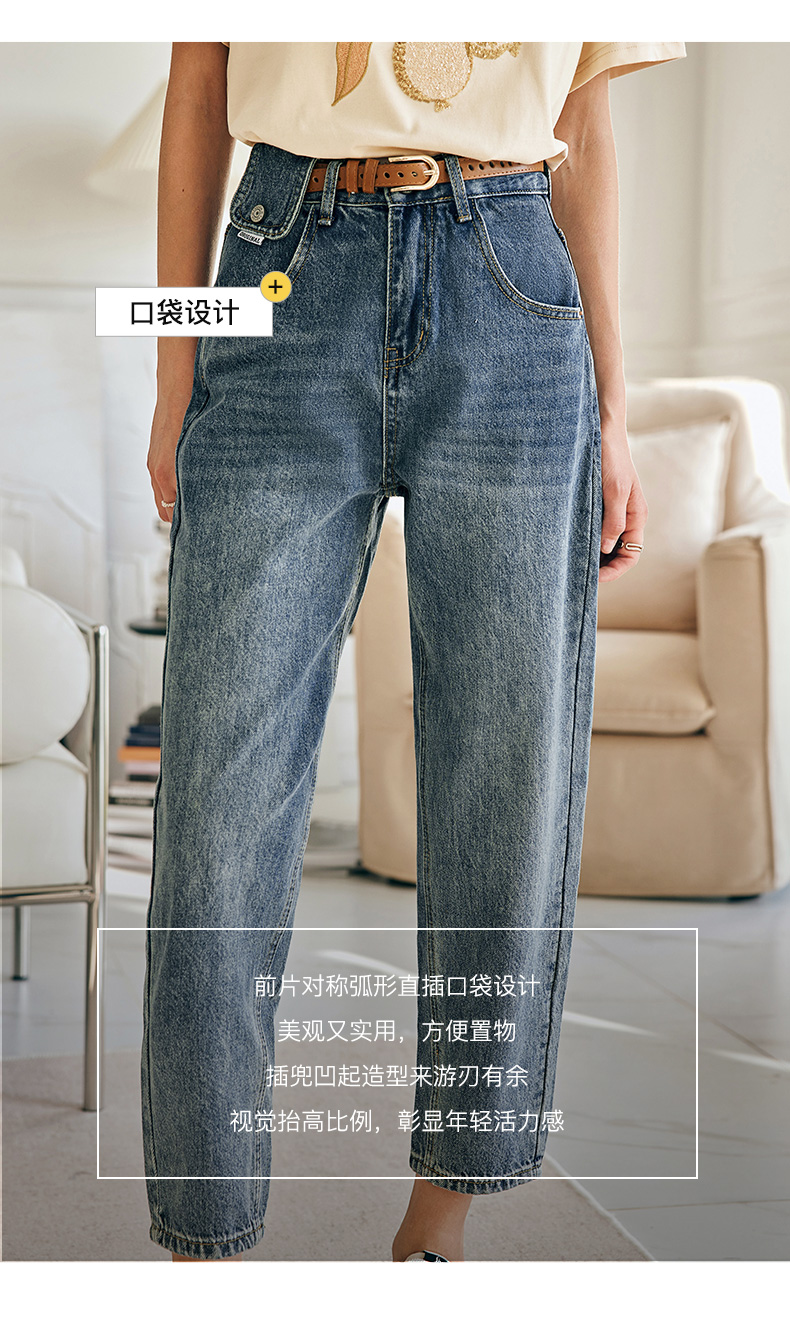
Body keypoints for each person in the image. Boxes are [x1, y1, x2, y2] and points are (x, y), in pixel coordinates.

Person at [142, 40, 686, 1262]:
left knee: (505, 780)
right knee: (217, 798)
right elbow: (197, 93)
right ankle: (200, 1235)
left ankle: (441, 1217)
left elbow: (585, 133)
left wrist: (615, 408)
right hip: (282, 266)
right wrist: (175, 369)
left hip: (515, 292)